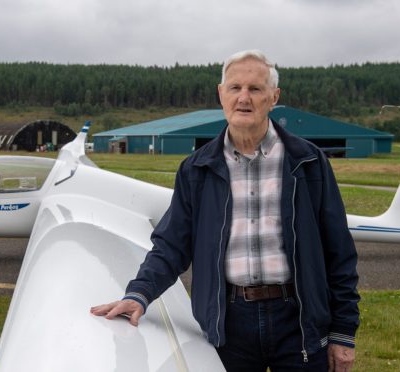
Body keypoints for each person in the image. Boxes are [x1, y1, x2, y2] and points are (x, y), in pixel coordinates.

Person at [91, 49, 360, 372]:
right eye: (235, 88)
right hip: (228, 323)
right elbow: (172, 244)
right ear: (221, 94)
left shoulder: (309, 162)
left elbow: (339, 252)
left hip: (298, 319)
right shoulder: (197, 169)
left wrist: (342, 333)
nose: (243, 98)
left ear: (274, 98)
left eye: (255, 89)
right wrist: (139, 294)